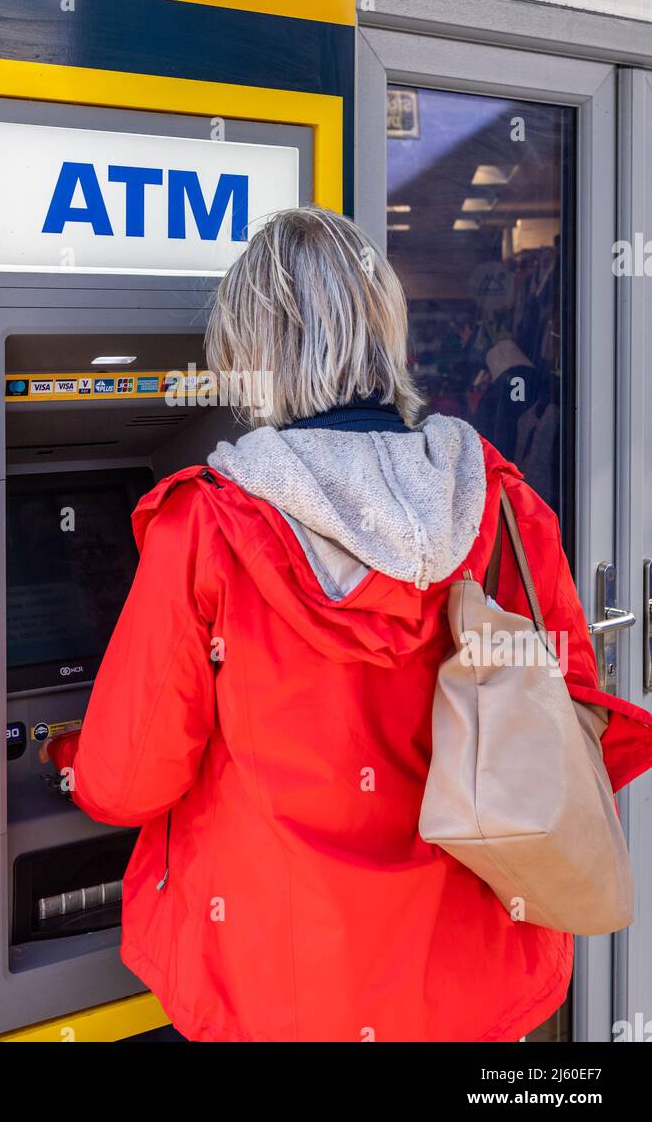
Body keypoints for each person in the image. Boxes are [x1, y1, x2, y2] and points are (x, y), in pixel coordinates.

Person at [44, 206, 652, 1043]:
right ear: (383, 332)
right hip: (469, 979)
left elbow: (125, 781)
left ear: (249, 355)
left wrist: (63, 750)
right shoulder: (501, 506)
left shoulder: (211, 527)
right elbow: (575, 718)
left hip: (280, 989)